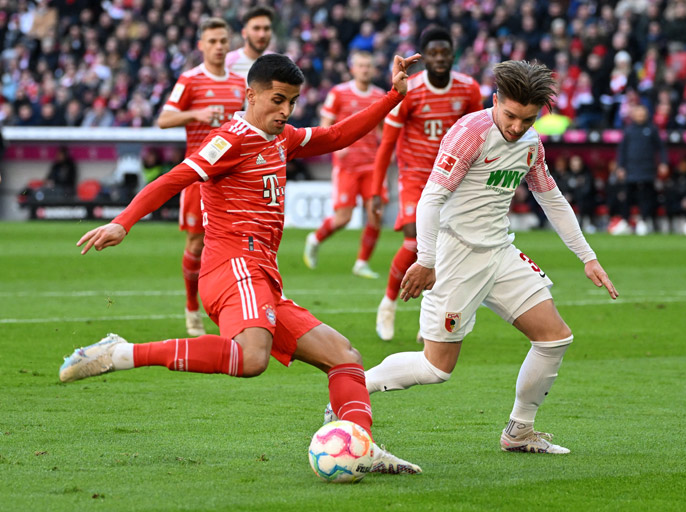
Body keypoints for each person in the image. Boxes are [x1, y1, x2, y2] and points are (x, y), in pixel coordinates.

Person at [60, 52, 423, 475]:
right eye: (277, 100)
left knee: (345, 357)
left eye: (292, 102)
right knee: (253, 359)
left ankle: (361, 447)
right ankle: (118, 353)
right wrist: (124, 222)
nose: (285, 111)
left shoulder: (281, 138)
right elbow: (174, 177)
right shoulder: (230, 138)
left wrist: (393, 96)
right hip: (233, 264)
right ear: (250, 95)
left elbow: (339, 135)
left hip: (261, 275)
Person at [326, 60, 618, 455]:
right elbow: (432, 198)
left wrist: (588, 256)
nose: (517, 128)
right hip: (455, 254)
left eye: (527, 120)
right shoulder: (469, 133)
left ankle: (519, 431)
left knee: (554, 338)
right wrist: (427, 259)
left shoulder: (531, 145)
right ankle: (345, 399)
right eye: (511, 116)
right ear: (496, 100)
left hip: (499, 251)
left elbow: (550, 197)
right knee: (436, 368)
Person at [372, 25, 483, 340]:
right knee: (414, 242)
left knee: (448, 248)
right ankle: (389, 304)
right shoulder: (411, 90)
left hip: (453, 177)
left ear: (452, 54)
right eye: (432, 52)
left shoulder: (468, 89)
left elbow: (479, 135)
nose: (439, 58)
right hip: (416, 176)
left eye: (444, 52)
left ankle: (430, 316)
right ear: (423, 57)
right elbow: (386, 144)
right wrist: (376, 189)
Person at [157, 18, 247, 337]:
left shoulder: (240, 83)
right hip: (198, 175)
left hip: (233, 178)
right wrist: (194, 114)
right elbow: (164, 119)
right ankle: (191, 308)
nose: (219, 47)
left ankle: (231, 308)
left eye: (223, 41)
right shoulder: (190, 80)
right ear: (201, 45)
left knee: (235, 244)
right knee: (196, 243)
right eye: (212, 41)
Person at [303, 51, 387, 279]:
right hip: (347, 166)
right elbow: (325, 125)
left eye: (368, 65)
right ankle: (315, 238)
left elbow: (381, 130)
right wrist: (336, 147)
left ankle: (361, 263)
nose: (365, 69)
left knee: (375, 214)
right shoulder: (338, 93)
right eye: (360, 65)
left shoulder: (380, 95)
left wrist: (386, 148)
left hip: (371, 165)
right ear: (352, 69)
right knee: (344, 218)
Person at [615, 104, 669, 235]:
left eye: (643, 113)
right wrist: (620, 167)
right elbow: (622, 150)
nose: (640, 116)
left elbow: (661, 148)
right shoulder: (629, 130)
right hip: (631, 169)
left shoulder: (652, 129)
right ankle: (625, 221)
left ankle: (644, 221)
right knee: (627, 197)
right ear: (633, 115)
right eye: (638, 113)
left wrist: (663, 163)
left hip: (647, 169)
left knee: (647, 197)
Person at [225, 6, 273, 82]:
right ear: (244, 33)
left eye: (266, 28)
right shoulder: (227, 63)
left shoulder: (278, 63)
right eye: (256, 28)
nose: (262, 35)